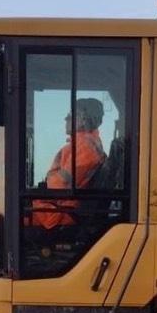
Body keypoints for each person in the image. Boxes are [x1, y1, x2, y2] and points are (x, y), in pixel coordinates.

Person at [31, 98, 106, 229]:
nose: (65, 119)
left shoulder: (85, 148)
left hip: (61, 213)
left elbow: (62, 184)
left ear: (83, 120)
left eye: (70, 115)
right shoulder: (84, 145)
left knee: (1, 210)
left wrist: (41, 189)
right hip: (62, 205)